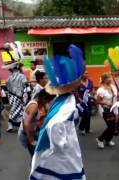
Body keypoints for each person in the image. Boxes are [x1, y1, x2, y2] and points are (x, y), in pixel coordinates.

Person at [30, 44, 86, 179]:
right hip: (65, 149)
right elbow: (56, 125)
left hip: (63, 148)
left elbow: (56, 124)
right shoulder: (67, 103)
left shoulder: (64, 102)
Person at [18, 89, 55, 157]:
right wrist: (31, 140)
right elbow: (26, 124)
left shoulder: (40, 103)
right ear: (43, 98)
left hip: (34, 132)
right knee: (35, 157)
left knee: (40, 155)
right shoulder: (34, 106)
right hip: (27, 134)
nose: (49, 102)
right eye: (48, 100)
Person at [95, 72, 117, 149]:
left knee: (113, 127)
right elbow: (97, 101)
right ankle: (100, 139)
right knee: (111, 127)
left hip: (112, 109)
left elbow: (115, 96)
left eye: (110, 77)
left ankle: (108, 140)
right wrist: (105, 103)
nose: (110, 79)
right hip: (105, 110)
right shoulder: (101, 90)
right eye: (108, 78)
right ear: (104, 80)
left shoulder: (112, 87)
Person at [5, 64, 28, 132]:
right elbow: (25, 84)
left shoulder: (9, 78)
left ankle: (10, 125)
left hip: (12, 96)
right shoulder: (22, 76)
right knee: (20, 111)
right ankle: (22, 126)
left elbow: (7, 86)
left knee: (13, 110)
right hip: (20, 96)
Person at [77, 71, 94, 135]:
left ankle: (87, 128)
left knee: (89, 114)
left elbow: (92, 89)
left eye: (87, 73)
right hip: (81, 102)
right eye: (85, 73)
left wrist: (91, 95)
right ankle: (81, 127)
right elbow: (76, 92)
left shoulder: (90, 81)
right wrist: (79, 99)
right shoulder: (78, 83)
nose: (87, 74)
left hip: (89, 101)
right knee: (85, 114)